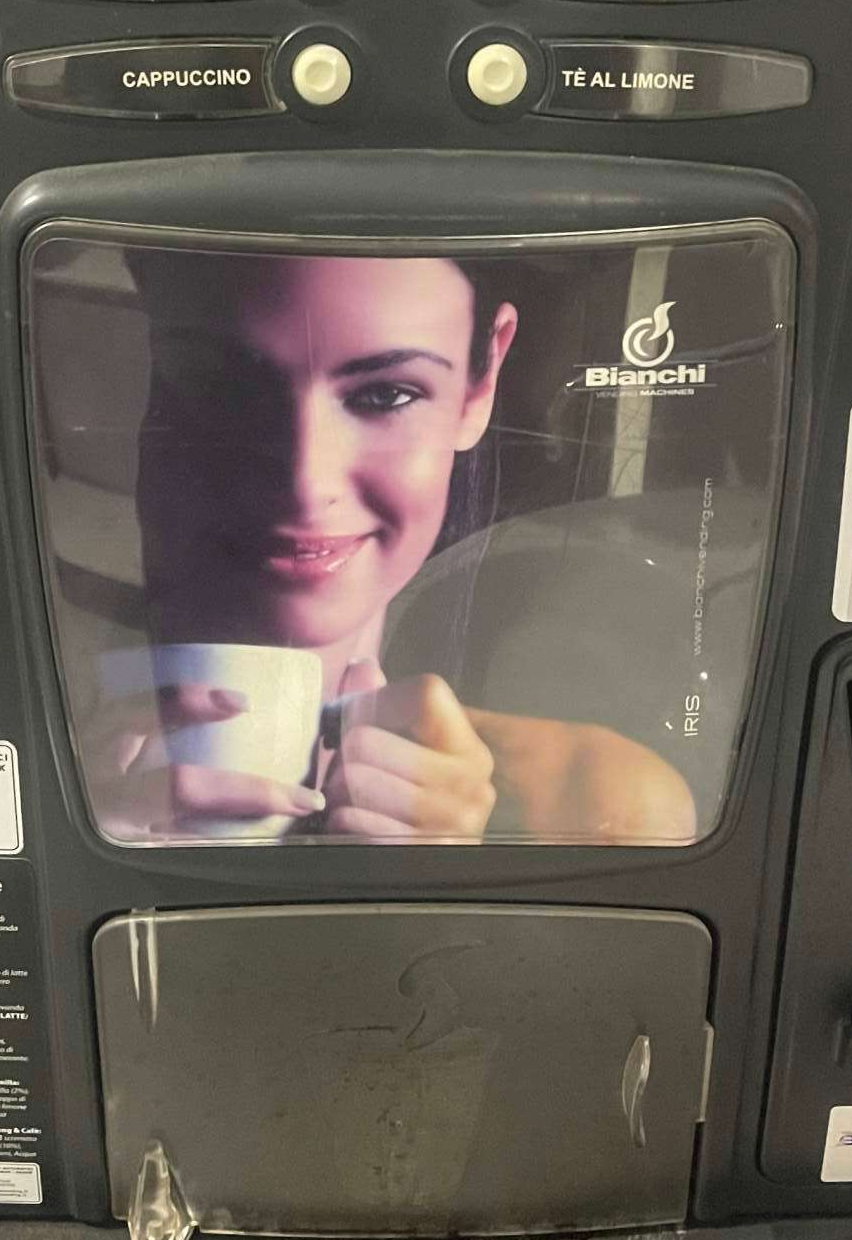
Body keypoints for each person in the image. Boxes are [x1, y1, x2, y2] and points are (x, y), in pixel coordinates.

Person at [82, 250, 696, 845]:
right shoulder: (51, 721)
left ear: (481, 383)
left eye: (386, 395)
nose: (305, 484)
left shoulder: (600, 802)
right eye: (220, 385)